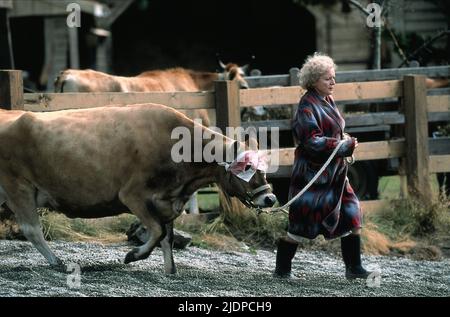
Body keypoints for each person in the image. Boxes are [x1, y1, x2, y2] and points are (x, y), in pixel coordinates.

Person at [274, 52, 372, 280]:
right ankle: (282, 269)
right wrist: (341, 145)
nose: (333, 82)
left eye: (333, 78)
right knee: (299, 227)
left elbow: (333, 129)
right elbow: (310, 141)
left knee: (353, 213)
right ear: (314, 80)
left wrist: (344, 138)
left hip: (337, 175)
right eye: (328, 79)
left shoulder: (327, 100)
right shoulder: (306, 106)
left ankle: (354, 268)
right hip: (313, 177)